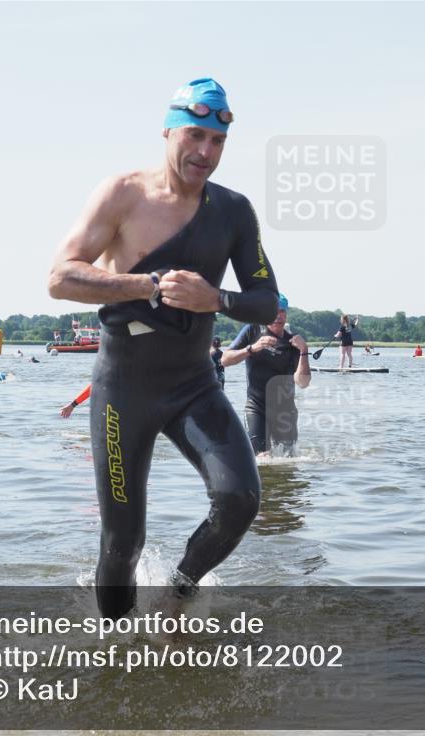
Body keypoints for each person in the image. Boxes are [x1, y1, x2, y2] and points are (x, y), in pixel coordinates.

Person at [47, 77, 279, 619]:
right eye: (195, 135)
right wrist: (146, 285)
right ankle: (114, 647)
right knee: (122, 538)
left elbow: (266, 302)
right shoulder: (122, 194)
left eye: (217, 142)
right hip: (122, 386)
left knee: (240, 499)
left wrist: (215, 297)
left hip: (192, 381)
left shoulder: (234, 211)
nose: (205, 152)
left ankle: (176, 594)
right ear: (168, 132)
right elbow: (59, 278)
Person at [221, 293, 311, 457]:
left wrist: (304, 351)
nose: (278, 316)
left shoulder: (293, 341)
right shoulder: (252, 330)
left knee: (288, 459)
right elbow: (225, 360)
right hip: (257, 407)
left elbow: (303, 383)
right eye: (273, 311)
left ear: (286, 314)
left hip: (285, 411)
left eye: (282, 311)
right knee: (259, 457)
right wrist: (252, 348)